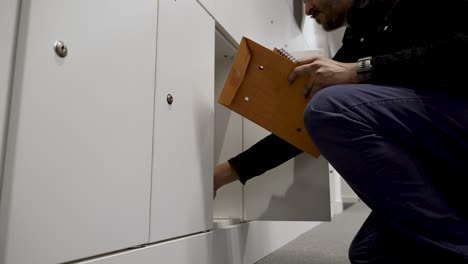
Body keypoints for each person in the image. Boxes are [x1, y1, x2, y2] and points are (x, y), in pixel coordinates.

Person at [214, 0, 468, 262]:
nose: (307, 9)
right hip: (437, 154)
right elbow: (301, 126)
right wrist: (224, 174)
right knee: (369, 254)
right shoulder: (359, 38)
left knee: (329, 108)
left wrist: (361, 71)